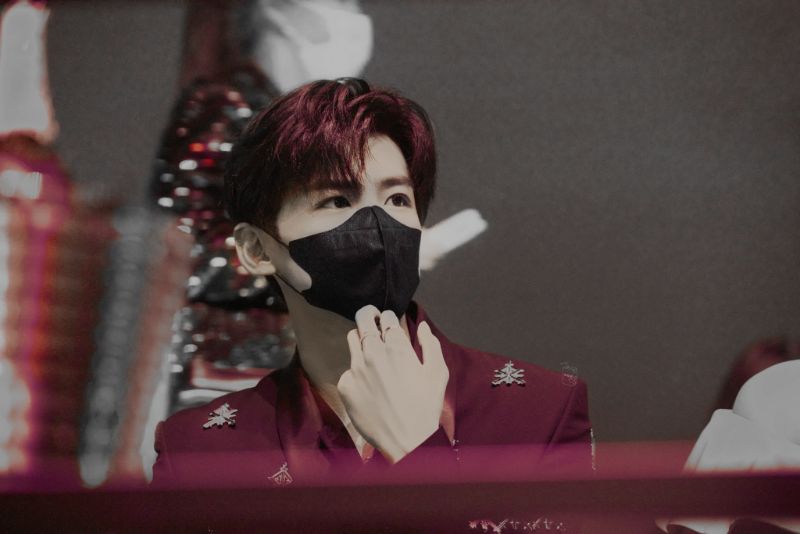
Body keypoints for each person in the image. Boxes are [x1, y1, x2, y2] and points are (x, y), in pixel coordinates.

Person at [151, 78, 593, 490]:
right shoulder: (196, 451)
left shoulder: (540, 411)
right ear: (257, 250)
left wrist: (418, 452)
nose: (378, 225)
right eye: (335, 200)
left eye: (397, 198)